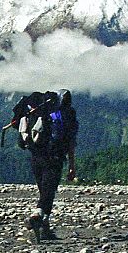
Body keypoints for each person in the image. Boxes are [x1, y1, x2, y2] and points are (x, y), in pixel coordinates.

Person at [27, 89, 78, 242]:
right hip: (54, 158)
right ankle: (36, 215)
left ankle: (45, 229)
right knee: (48, 192)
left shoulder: (42, 112)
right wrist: (71, 166)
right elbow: (71, 143)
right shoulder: (68, 116)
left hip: (35, 156)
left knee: (45, 190)